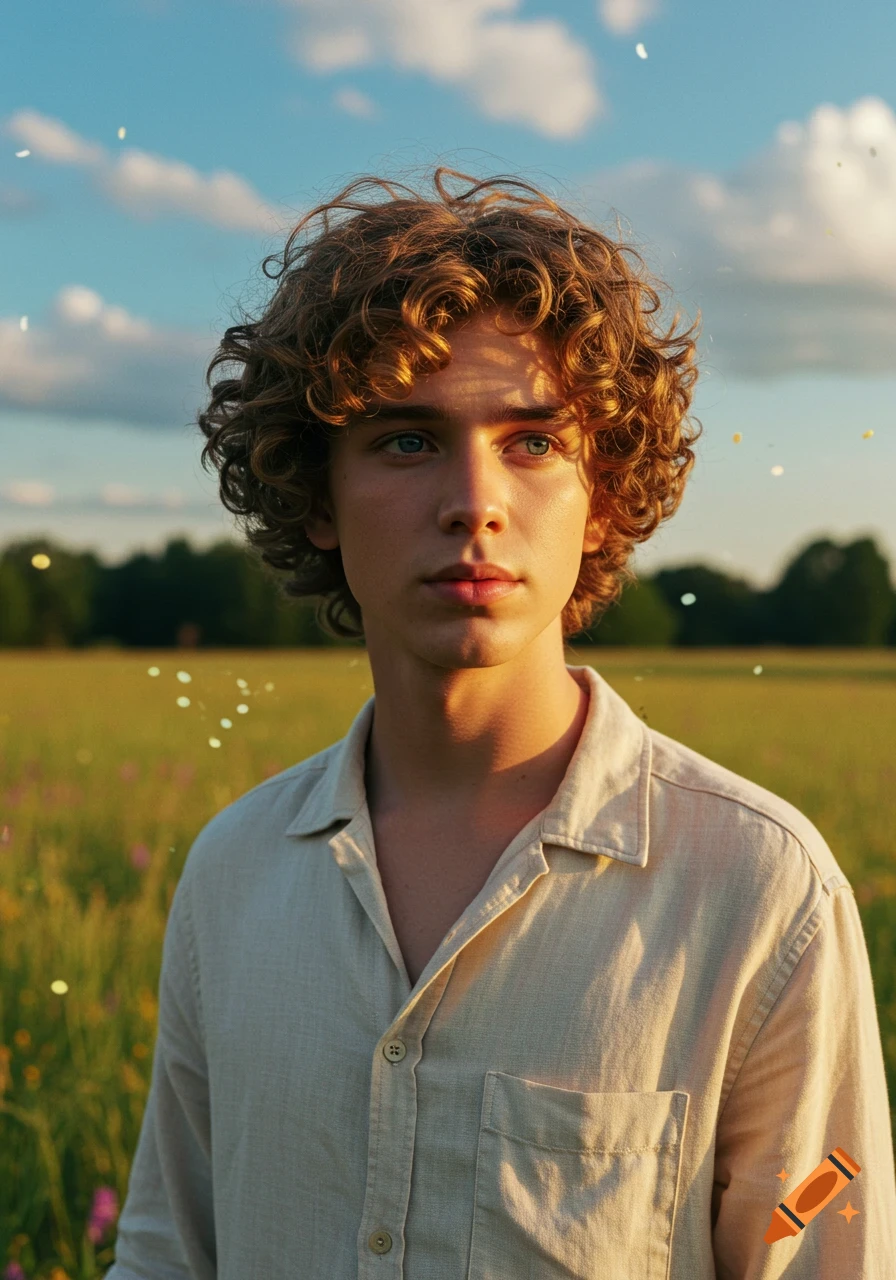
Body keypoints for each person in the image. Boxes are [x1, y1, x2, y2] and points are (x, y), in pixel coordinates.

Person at [105, 167, 896, 1279]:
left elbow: (819, 1251)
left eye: (532, 441)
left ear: (602, 491)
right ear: (317, 494)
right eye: (406, 439)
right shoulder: (231, 871)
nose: (472, 499)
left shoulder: (760, 890)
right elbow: (166, 1252)